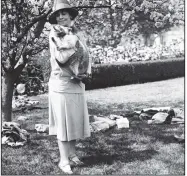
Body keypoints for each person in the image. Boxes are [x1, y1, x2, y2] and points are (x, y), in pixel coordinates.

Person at [48, 0, 91, 174]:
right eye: (58, 14)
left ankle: (72, 154)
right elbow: (62, 58)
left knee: (73, 121)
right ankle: (63, 160)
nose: (60, 17)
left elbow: (86, 55)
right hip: (62, 84)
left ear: (71, 15)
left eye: (64, 13)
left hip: (76, 83)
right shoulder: (55, 33)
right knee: (64, 124)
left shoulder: (76, 32)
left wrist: (85, 72)